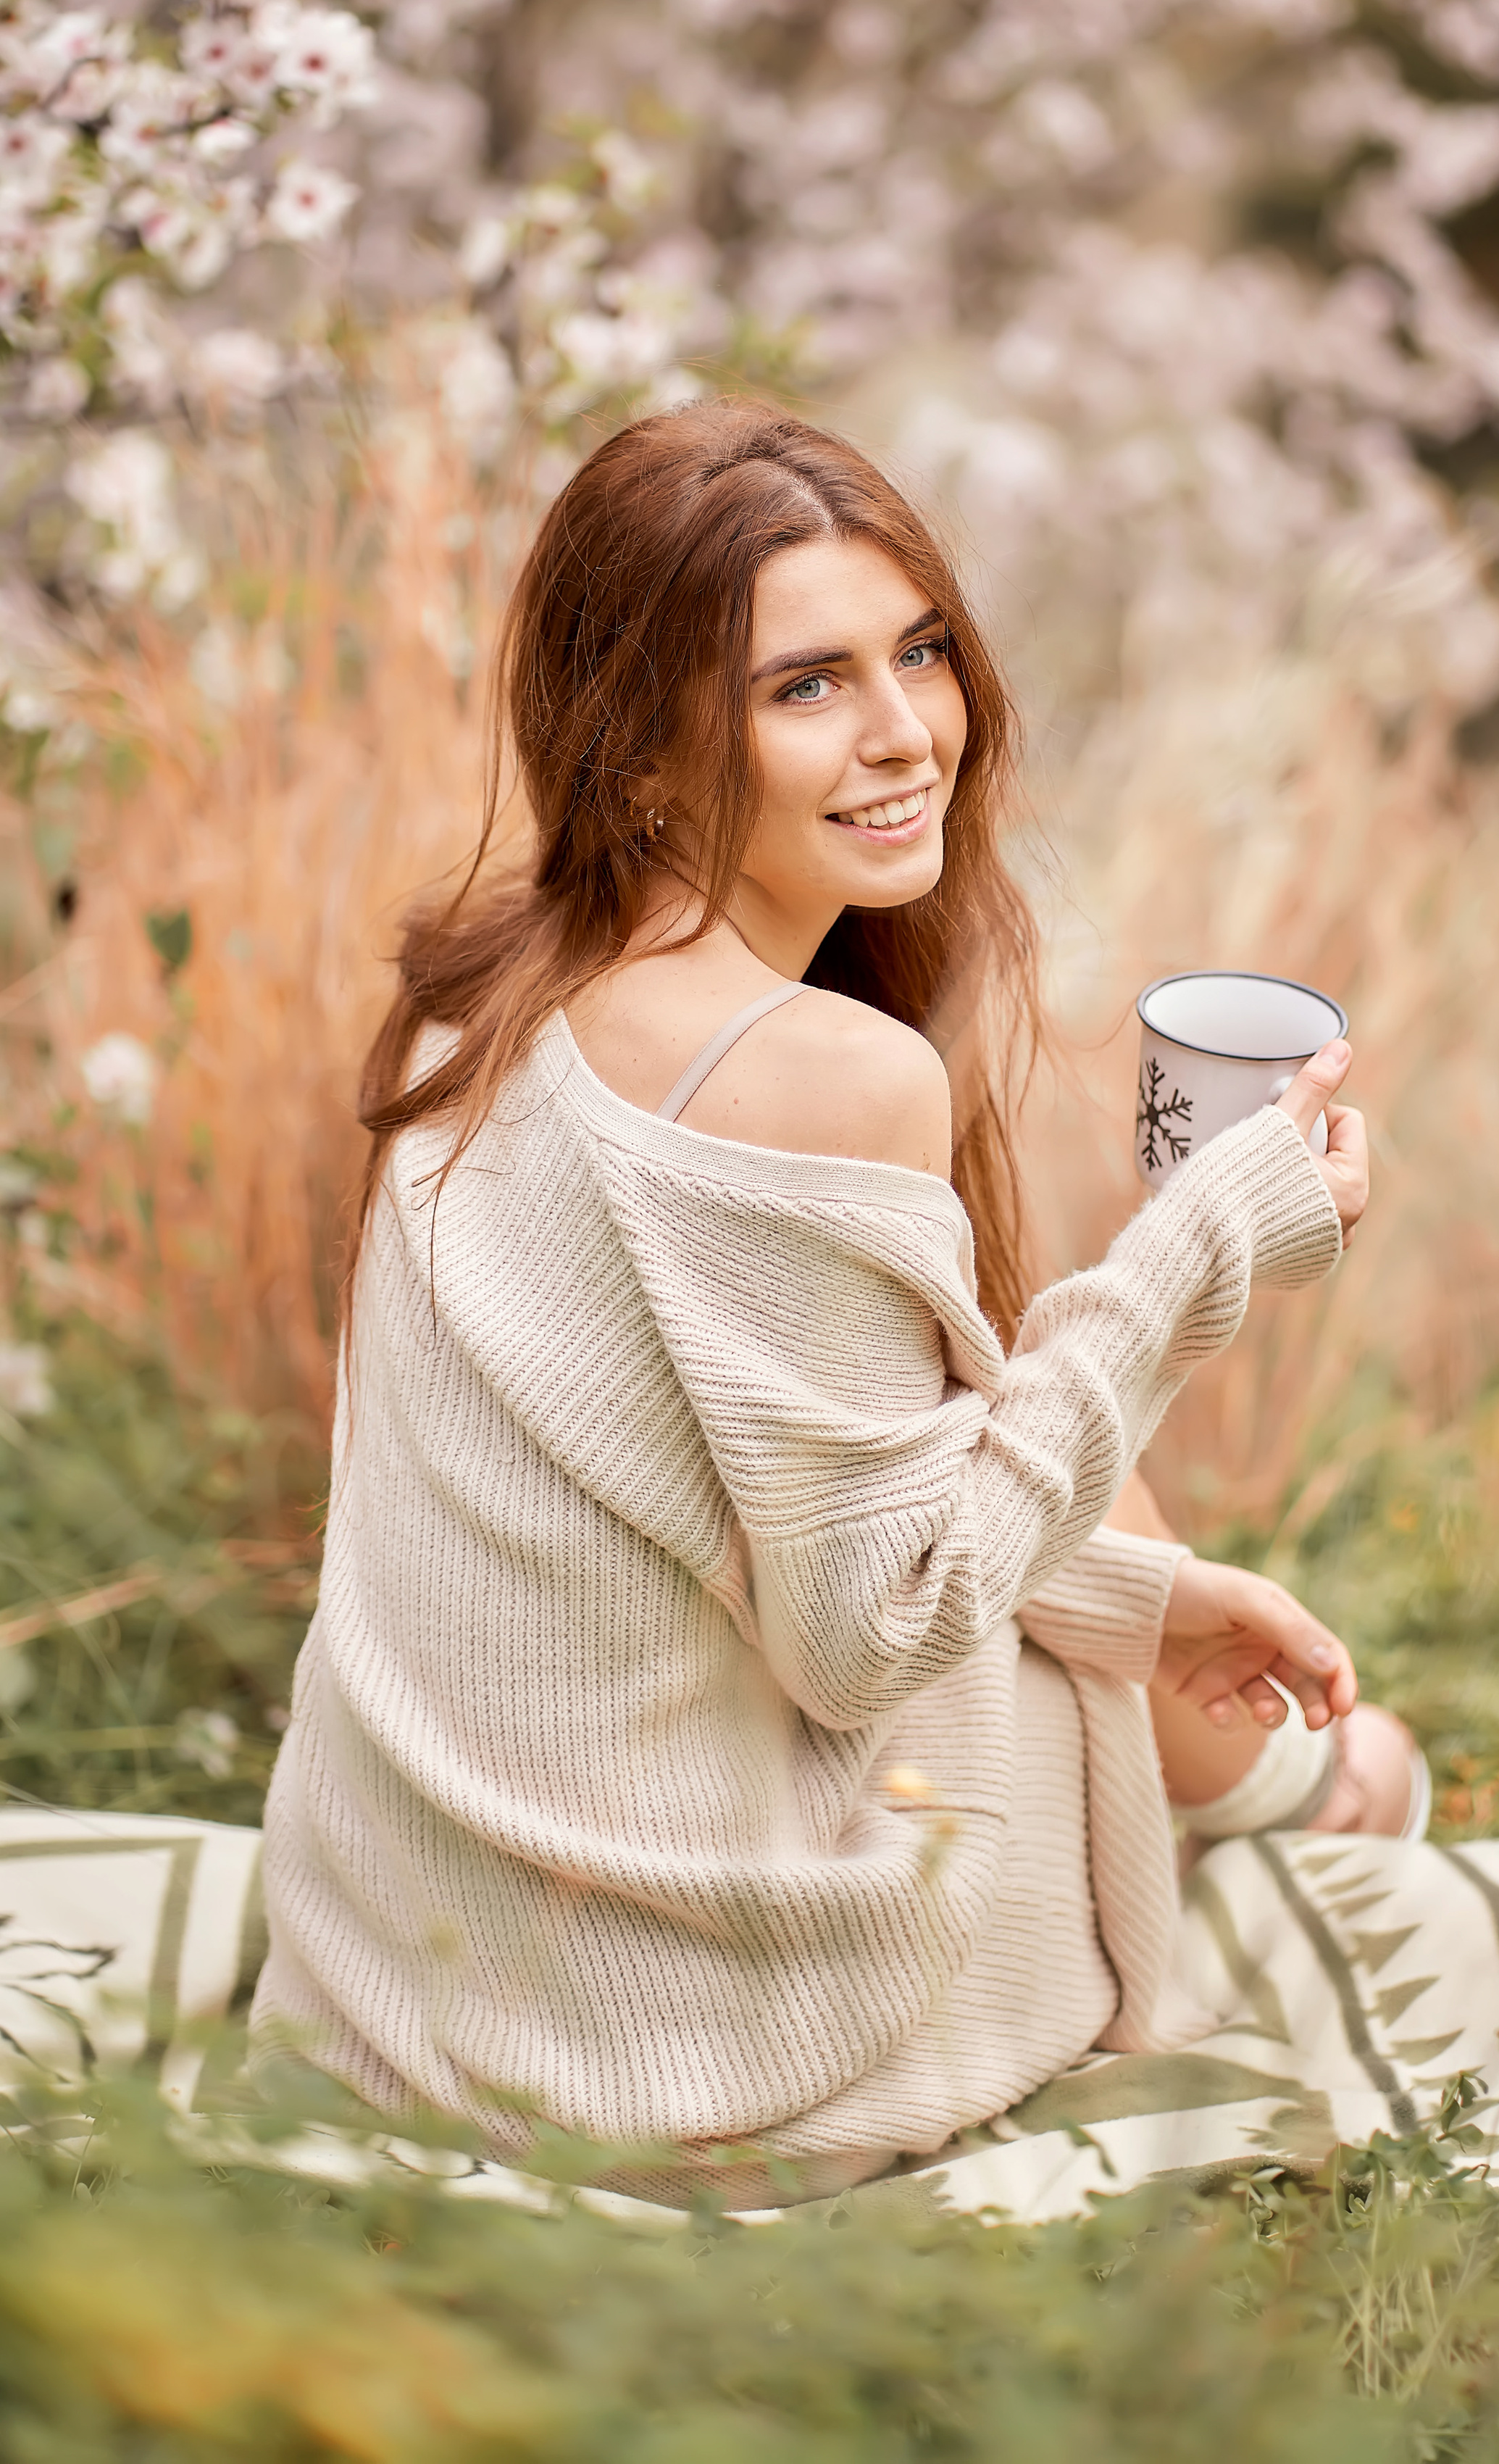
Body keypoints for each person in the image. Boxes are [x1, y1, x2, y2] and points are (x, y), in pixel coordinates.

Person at [254, 402, 1424, 2203]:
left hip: (402, 1989)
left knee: (1021, 1447)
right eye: (804, 686)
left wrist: (1143, 1603)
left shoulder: (471, 1001)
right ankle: (1299, 1796)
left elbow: (677, 1512)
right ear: (640, 752)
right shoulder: (824, 1075)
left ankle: (1263, 1771)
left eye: (921, 651)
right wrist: (1205, 1239)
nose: (904, 734)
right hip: (672, 2052)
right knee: (1040, 1417)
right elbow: (870, 1634)